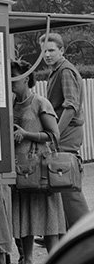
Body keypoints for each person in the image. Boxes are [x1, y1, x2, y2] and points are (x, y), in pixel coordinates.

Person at [10, 59, 66, 264]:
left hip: (40, 167)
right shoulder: (11, 104)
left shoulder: (40, 103)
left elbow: (54, 135)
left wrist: (26, 134)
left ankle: (55, 263)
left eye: (14, 77)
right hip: (19, 168)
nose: (11, 81)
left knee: (48, 214)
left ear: (26, 77)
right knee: (22, 214)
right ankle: (27, 260)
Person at [38, 33, 89, 228]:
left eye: (51, 50)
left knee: (67, 182)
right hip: (65, 132)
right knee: (60, 182)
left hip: (66, 133)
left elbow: (71, 106)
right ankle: (62, 230)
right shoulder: (57, 69)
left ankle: (85, 233)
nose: (47, 55)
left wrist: (54, 134)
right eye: (44, 51)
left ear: (62, 50)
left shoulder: (65, 71)